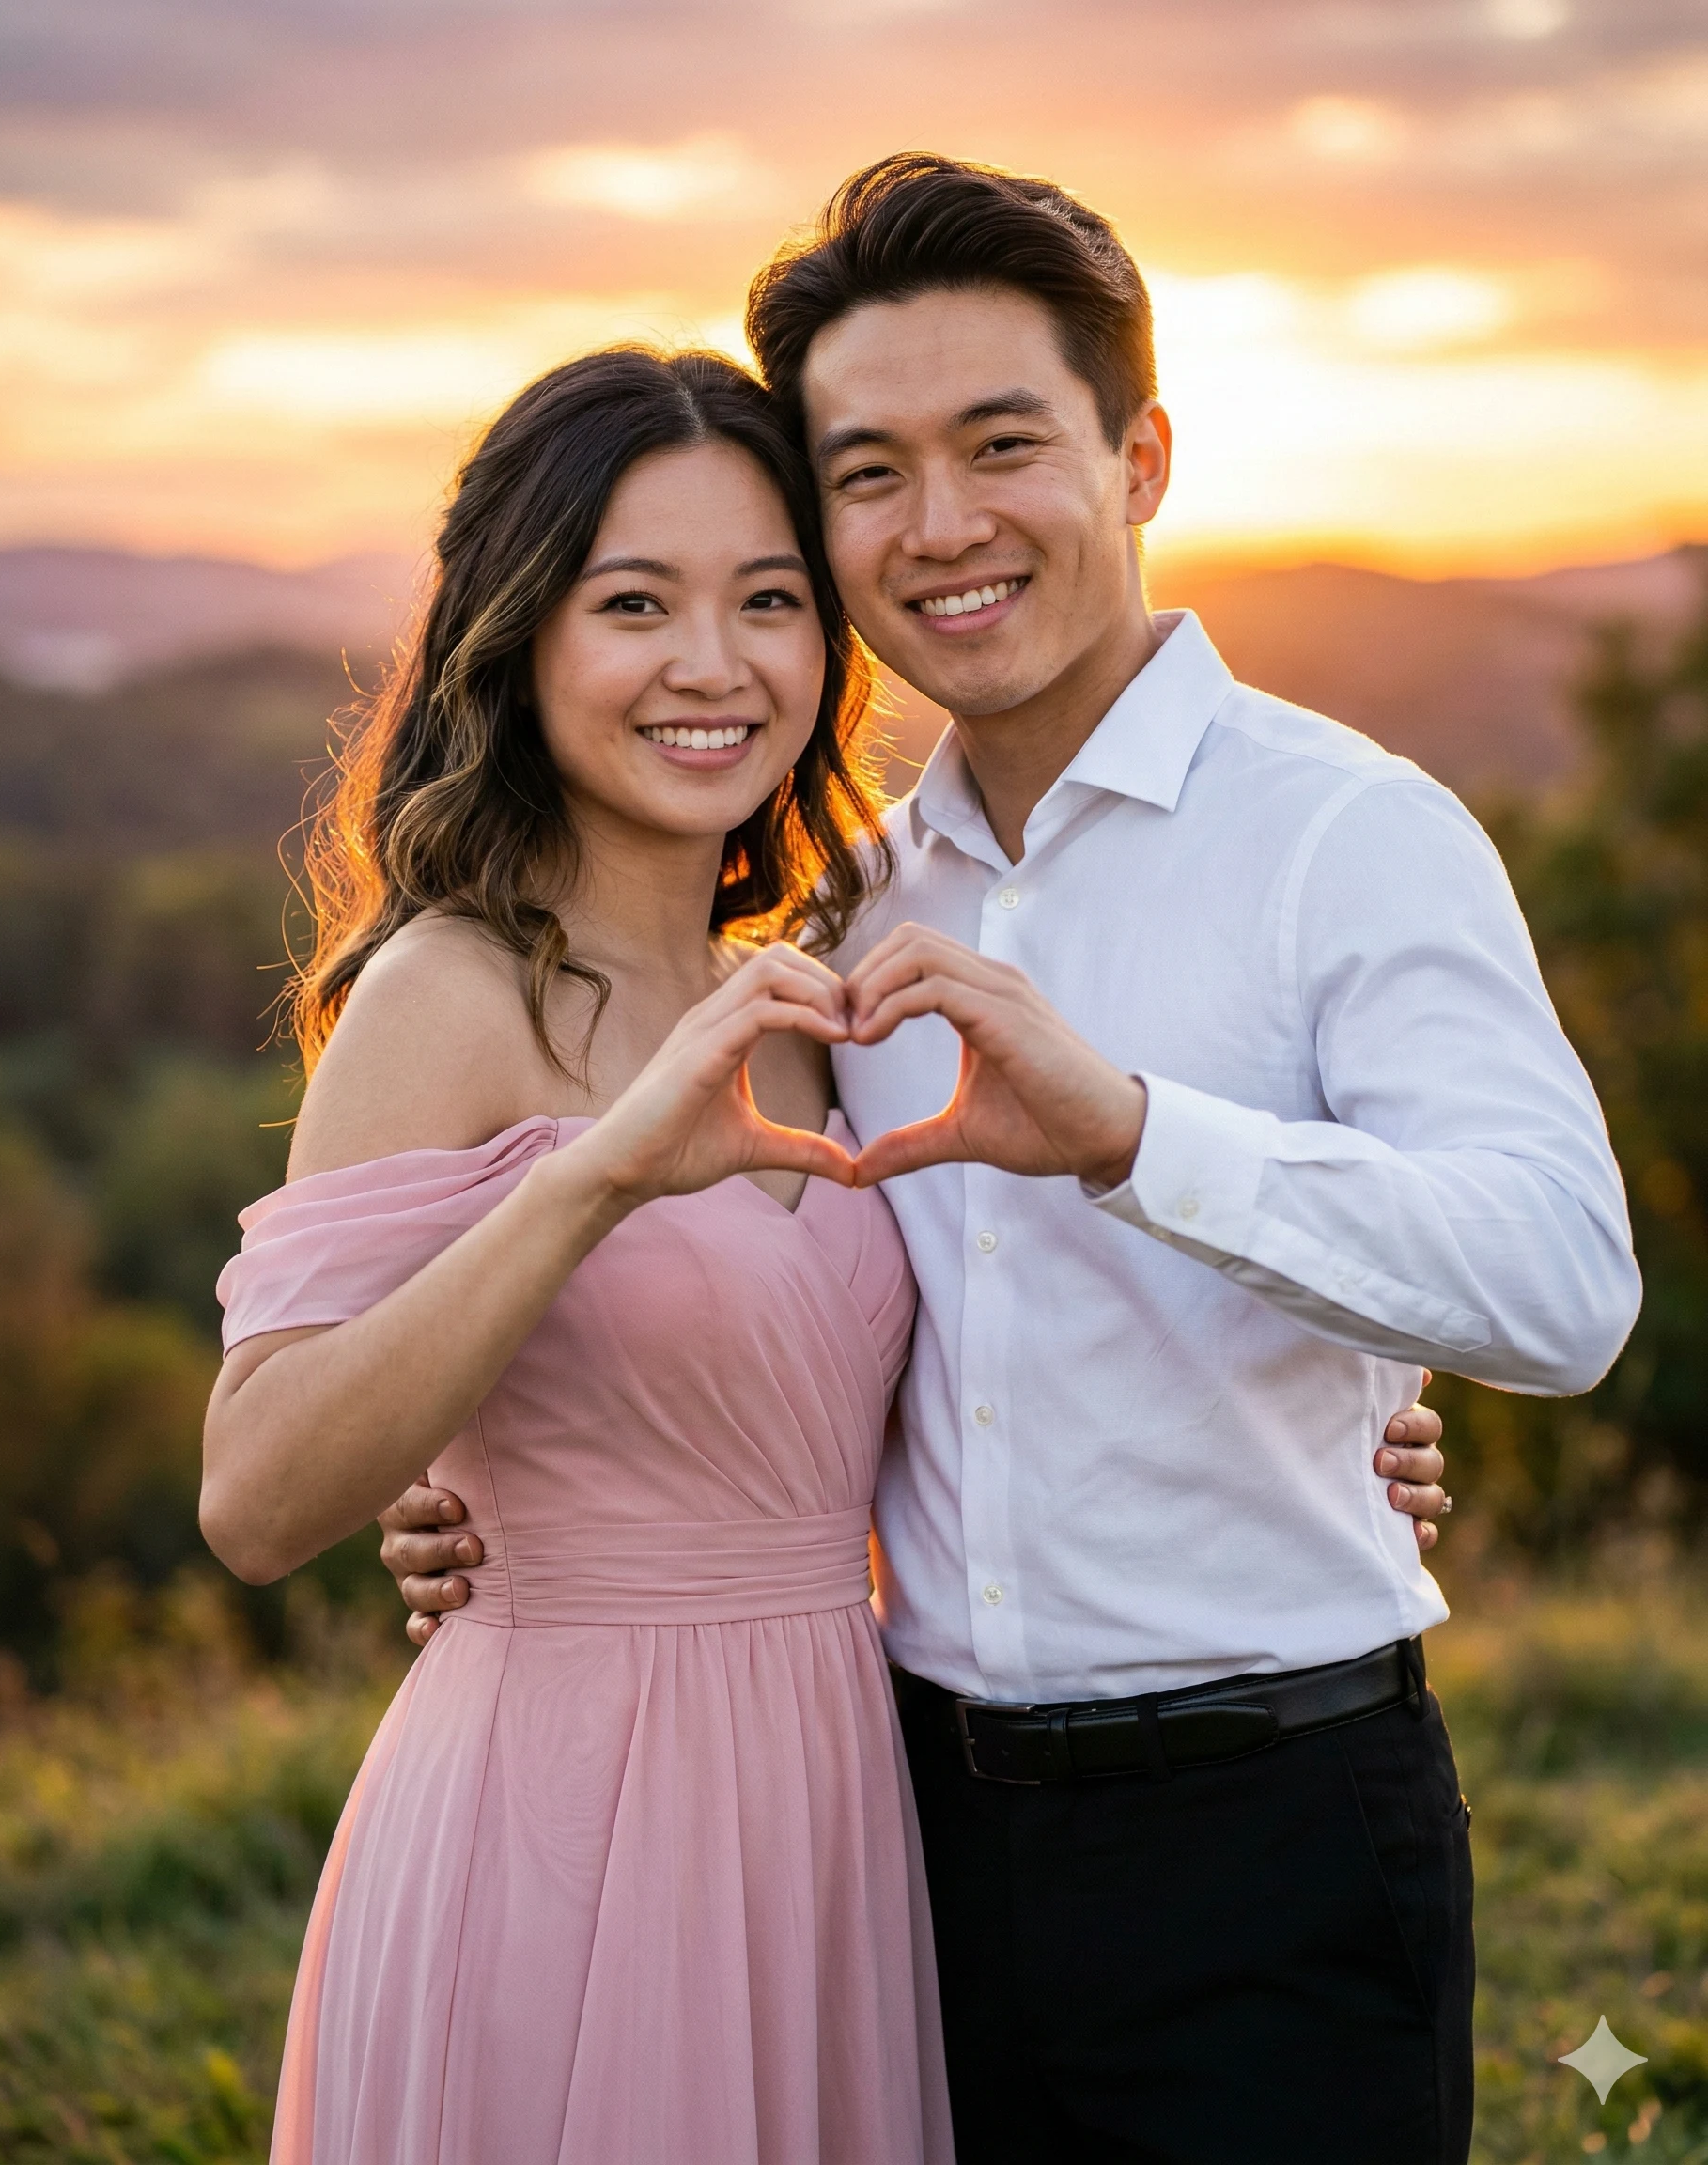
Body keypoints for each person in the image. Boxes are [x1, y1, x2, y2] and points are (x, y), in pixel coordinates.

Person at [386, 157, 1639, 2165]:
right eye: (867, 474)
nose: (941, 526)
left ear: (1139, 460)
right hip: (901, 1843)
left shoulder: (1347, 833)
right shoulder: (839, 921)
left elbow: (1562, 1285)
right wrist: (503, 1481)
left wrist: (1139, 1140)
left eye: (1001, 446)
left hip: (1269, 1845)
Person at [204, 348, 955, 2164]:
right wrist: (592, 1183)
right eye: (635, 604)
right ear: (520, 638)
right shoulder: (447, 993)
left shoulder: (823, 995)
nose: (714, 664)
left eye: (767, 599)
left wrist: (1338, 1426)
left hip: (835, 1811)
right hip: (561, 1821)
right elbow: (258, 1493)